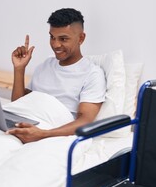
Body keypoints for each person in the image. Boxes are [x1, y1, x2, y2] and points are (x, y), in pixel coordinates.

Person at [7, 8, 106, 143]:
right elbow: (18, 105)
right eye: (52, 37)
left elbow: (85, 121)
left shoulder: (92, 74)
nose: (55, 44)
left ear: (81, 38)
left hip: (50, 134)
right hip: (26, 126)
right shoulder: (45, 66)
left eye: (63, 39)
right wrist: (19, 69)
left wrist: (43, 134)